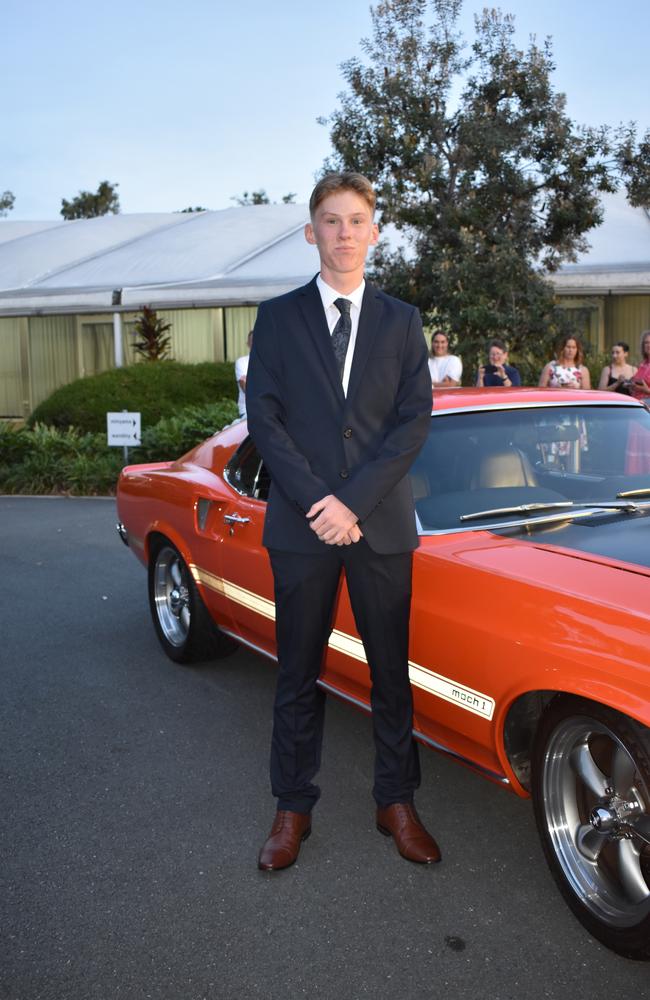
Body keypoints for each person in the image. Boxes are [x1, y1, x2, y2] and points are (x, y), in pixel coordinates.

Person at [246, 172, 439, 872]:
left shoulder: (402, 321)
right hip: (301, 529)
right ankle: (292, 807)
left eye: (357, 220)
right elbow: (264, 421)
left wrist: (351, 502)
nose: (344, 232)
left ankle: (397, 802)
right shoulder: (276, 318)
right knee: (297, 672)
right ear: (311, 232)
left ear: (375, 232)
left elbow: (412, 421)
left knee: (392, 674)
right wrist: (317, 504)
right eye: (331, 220)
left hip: (379, 524)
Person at [234, 331, 253, 417]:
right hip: (247, 411)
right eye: (252, 340)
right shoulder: (241, 362)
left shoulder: (270, 362)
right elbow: (245, 387)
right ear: (248, 344)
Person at [631, 330, 650, 400]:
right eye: (646, 343)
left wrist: (646, 390)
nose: (649, 345)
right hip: (637, 403)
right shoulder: (643, 364)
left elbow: (645, 389)